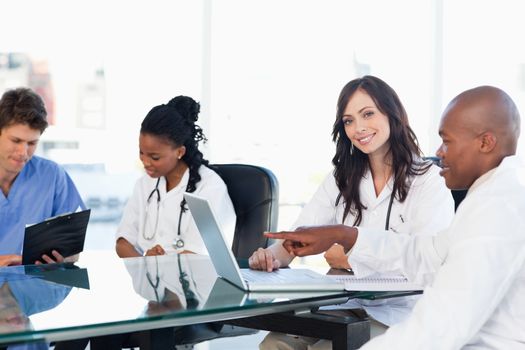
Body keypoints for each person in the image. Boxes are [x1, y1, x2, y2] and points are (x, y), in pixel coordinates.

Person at [266, 85, 525, 349]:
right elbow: (427, 254)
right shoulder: (490, 198)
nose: (440, 152)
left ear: (485, 143)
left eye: (447, 141)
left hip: (422, 323)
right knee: (277, 342)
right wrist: (343, 235)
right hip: (351, 306)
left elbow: (443, 324)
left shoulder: (497, 210)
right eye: (349, 120)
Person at [249, 76, 455, 349]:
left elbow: (425, 263)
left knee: (325, 348)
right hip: (341, 303)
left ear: (392, 114)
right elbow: (297, 239)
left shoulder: (429, 180)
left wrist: (347, 257)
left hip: (401, 312)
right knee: (275, 344)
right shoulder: (341, 177)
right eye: (348, 120)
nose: (358, 128)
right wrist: (270, 257)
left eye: (367, 114)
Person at [115, 95, 236, 258]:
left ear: (180, 152)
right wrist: (146, 265)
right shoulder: (144, 185)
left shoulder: (210, 187)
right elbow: (123, 243)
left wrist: (156, 265)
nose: (145, 162)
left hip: (196, 281)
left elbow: (195, 256)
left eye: (154, 157)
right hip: (151, 280)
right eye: (141, 153)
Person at [0, 87, 85, 267]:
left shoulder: (52, 176)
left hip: (35, 286)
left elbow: (73, 250)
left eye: (32, 143)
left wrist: (63, 257)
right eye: (16, 141)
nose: (23, 152)